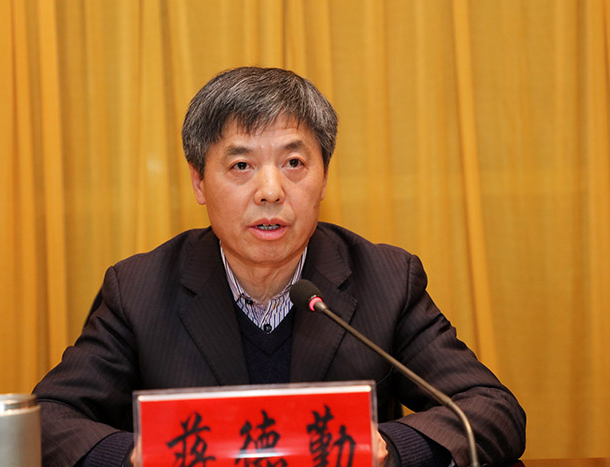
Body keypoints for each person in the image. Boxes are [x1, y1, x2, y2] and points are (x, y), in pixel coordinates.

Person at [33, 67, 526, 467]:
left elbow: (492, 409)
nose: (270, 191)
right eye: (241, 166)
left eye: (293, 163)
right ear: (199, 182)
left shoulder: (386, 279)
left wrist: (387, 449)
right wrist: (139, 456)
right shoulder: (139, 290)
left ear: (324, 178)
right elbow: (48, 419)